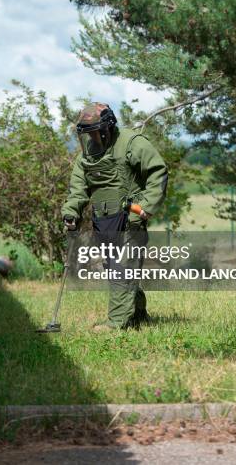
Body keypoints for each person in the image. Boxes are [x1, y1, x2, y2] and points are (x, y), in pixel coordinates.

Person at [62, 102, 168, 331]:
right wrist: (71, 211)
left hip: (130, 220)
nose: (91, 137)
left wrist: (144, 208)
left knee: (122, 269)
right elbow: (78, 188)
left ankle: (116, 324)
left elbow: (158, 172)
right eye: (87, 133)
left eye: (95, 132)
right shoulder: (87, 154)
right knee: (117, 268)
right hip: (104, 221)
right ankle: (137, 316)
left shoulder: (132, 143)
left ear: (107, 128)